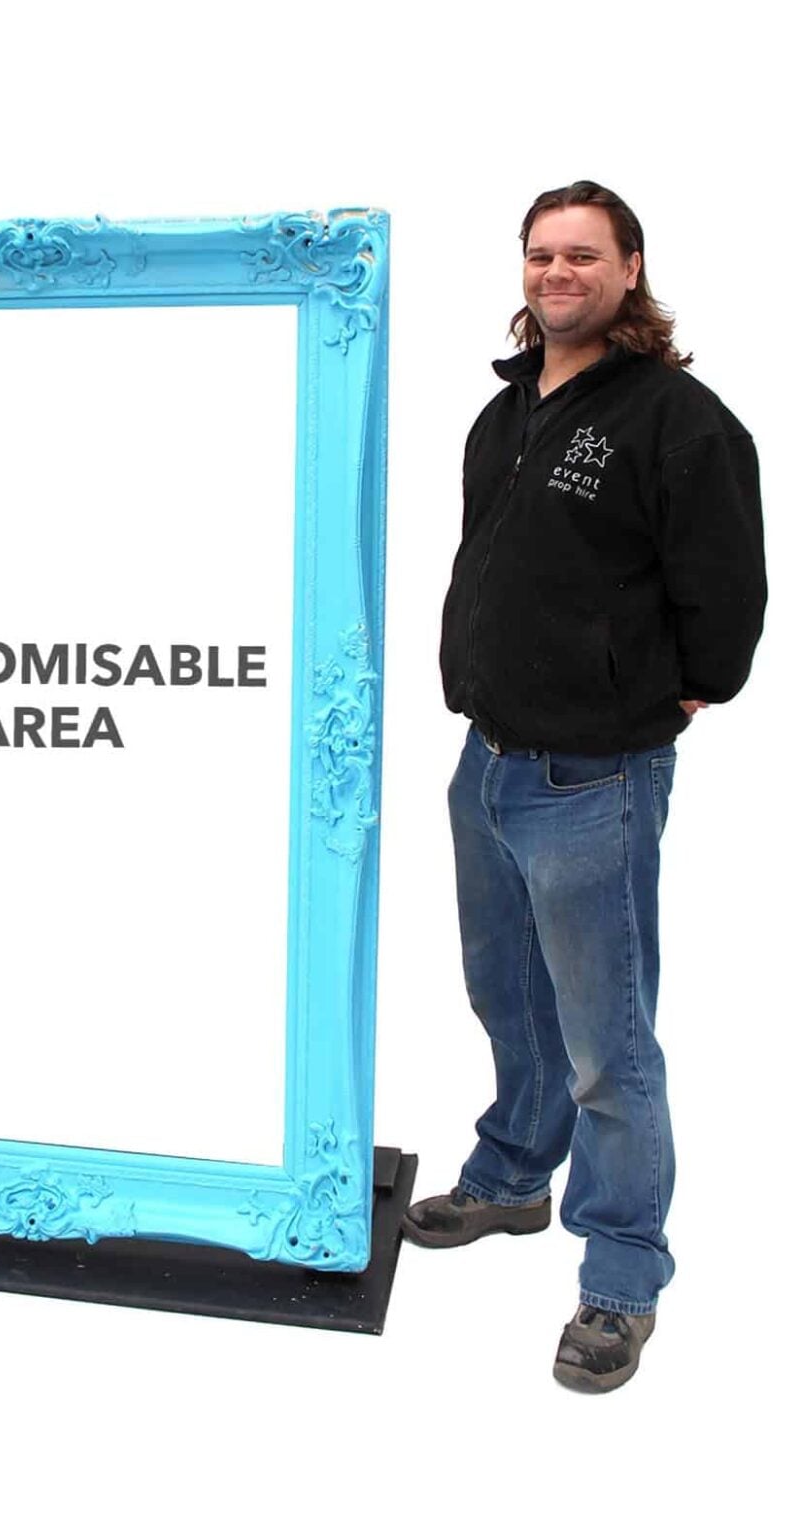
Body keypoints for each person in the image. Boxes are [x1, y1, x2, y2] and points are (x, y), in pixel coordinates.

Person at [403, 180, 766, 1393]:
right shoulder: (505, 412)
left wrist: (686, 688)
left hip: (592, 774)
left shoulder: (678, 420)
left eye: (583, 255)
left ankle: (619, 1276)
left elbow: (729, 588)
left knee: (608, 1042)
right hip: (487, 760)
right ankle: (513, 1174)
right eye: (541, 254)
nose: (558, 273)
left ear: (629, 269)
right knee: (506, 995)